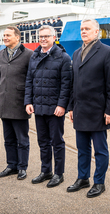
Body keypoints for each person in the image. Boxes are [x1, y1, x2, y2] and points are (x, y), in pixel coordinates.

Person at [67, 19, 110, 198]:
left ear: (96, 32)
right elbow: (73, 83)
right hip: (80, 110)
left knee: (100, 150)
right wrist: (71, 107)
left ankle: (99, 182)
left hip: (98, 111)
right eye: (82, 29)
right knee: (82, 149)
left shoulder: (107, 52)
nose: (84, 31)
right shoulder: (75, 53)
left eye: (87, 29)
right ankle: (83, 178)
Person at [25, 25, 71, 188]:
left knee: (56, 141)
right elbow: (29, 80)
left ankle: (59, 173)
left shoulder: (63, 57)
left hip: (54, 108)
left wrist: (62, 105)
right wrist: (28, 102)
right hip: (38, 106)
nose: (43, 39)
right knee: (42, 141)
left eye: (46, 36)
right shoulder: (35, 56)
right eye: (41, 36)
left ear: (54, 37)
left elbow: (66, 84)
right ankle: (46, 171)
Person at [0, 26, 33, 179]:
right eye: (4, 35)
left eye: (8, 35)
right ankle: (11, 165)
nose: (5, 37)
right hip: (4, 102)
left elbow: (31, 79)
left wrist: (29, 101)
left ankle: (22, 167)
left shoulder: (29, 54)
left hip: (19, 103)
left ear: (17, 37)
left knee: (22, 139)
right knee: (8, 138)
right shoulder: (0, 54)